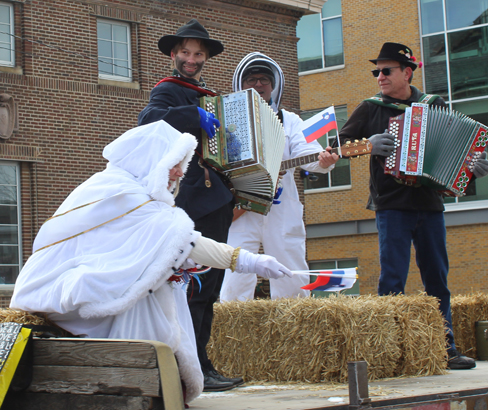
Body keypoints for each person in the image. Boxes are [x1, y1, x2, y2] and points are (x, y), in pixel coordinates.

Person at [9, 120, 293, 405]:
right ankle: (145, 387)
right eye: (174, 163)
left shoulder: (106, 186)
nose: (180, 172)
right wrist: (245, 260)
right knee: (146, 301)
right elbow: (186, 242)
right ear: (152, 160)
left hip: (57, 294)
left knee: (156, 288)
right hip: (77, 301)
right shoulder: (130, 197)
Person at [337, 42, 488, 370]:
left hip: (430, 203)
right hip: (391, 204)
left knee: (437, 277)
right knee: (392, 278)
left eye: (386, 70)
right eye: (376, 71)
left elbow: (458, 146)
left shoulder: (433, 105)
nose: (379, 76)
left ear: (407, 72)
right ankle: (390, 351)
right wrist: (369, 145)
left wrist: (476, 165)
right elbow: (337, 146)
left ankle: (445, 348)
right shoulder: (370, 108)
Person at [137, 19, 242, 391]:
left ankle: (202, 362)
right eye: (185, 52)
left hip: (217, 198)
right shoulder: (169, 91)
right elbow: (148, 122)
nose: (191, 59)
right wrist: (191, 116)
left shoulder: (207, 94)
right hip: (192, 200)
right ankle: (193, 368)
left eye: (198, 54)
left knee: (210, 286)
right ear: (173, 55)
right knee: (195, 285)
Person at [220, 53, 338, 302]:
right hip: (241, 207)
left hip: (281, 207)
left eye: (265, 79)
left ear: (274, 86)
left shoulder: (290, 120)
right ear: (240, 84)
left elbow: (309, 154)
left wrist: (323, 161)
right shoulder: (226, 119)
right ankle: (233, 333)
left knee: (290, 272)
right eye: (251, 79)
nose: (259, 84)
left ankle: (295, 332)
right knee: (234, 275)